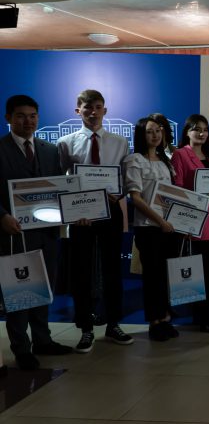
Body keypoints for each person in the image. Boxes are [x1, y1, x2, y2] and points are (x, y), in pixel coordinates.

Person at [57, 89, 133, 353]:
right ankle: (85, 329)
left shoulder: (120, 142)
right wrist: (73, 209)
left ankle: (113, 324)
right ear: (77, 110)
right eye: (87, 107)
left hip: (111, 210)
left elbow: (125, 178)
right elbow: (62, 180)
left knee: (113, 270)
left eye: (98, 107)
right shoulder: (65, 143)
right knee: (81, 271)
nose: (93, 112)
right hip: (81, 215)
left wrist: (119, 194)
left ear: (105, 110)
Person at [0, 95, 72, 369]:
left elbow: (59, 188)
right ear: (8, 118)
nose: (27, 121)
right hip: (13, 233)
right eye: (20, 116)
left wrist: (75, 210)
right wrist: (2, 216)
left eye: (32, 116)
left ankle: (43, 340)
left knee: (44, 287)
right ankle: (21, 348)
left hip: (46, 233)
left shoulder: (50, 150)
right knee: (19, 291)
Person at [123, 117, 179, 341]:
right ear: (140, 135)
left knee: (165, 275)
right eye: (149, 132)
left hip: (168, 227)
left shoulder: (166, 161)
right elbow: (136, 198)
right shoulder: (135, 160)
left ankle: (165, 318)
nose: (155, 135)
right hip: (148, 228)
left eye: (158, 131)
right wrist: (160, 221)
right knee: (152, 277)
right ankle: (155, 322)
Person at [171, 115, 209, 333]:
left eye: (205, 129)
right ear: (187, 131)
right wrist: (202, 198)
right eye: (197, 129)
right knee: (199, 274)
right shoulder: (180, 154)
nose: (202, 133)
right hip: (193, 223)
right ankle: (204, 317)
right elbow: (177, 189)